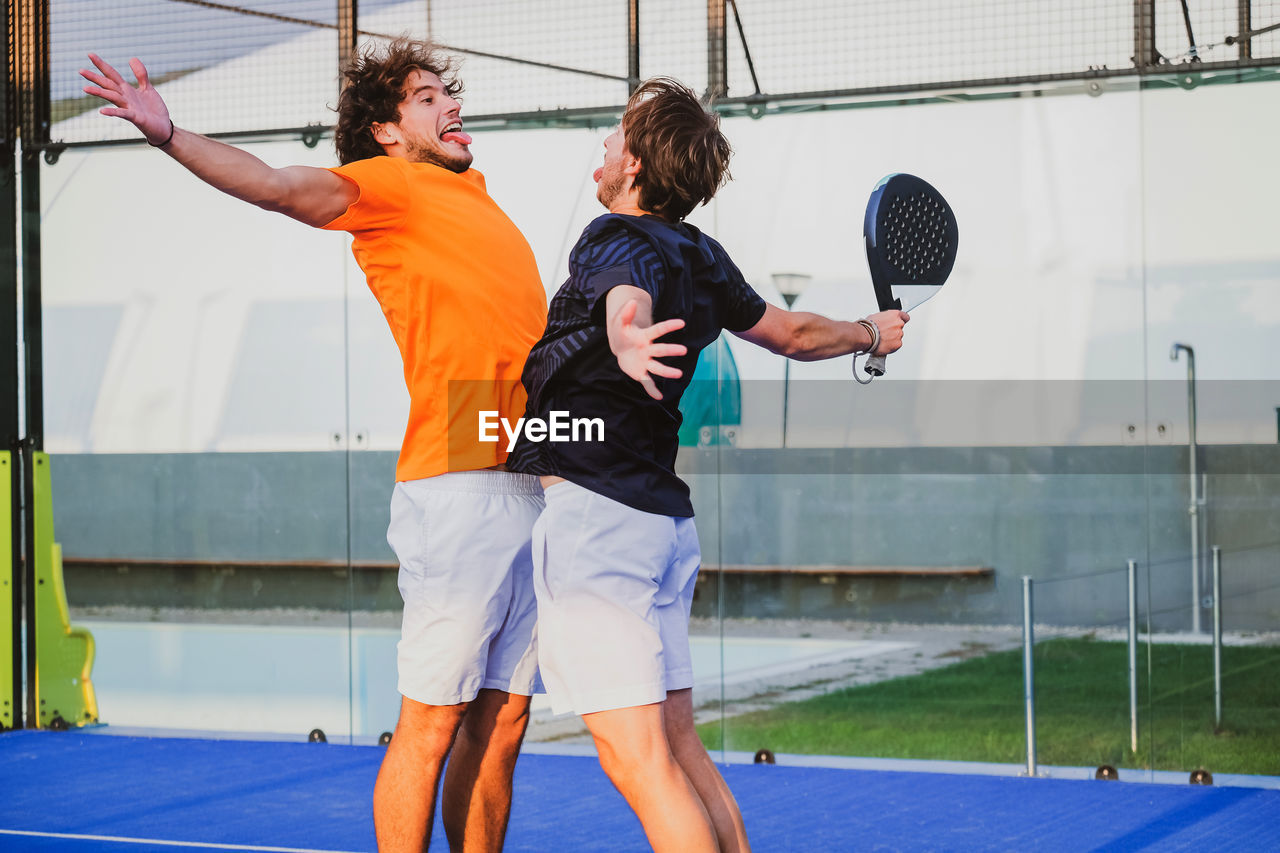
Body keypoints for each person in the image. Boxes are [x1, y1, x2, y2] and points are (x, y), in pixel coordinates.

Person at [82, 40, 547, 853]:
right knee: (432, 720)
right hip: (457, 478)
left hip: (529, 468)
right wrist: (169, 133)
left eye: (449, 94)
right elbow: (277, 187)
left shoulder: (474, 195)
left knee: (505, 716)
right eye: (429, 98)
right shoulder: (389, 185)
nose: (452, 107)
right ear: (387, 130)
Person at [506, 77, 909, 852]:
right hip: (662, 530)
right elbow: (790, 332)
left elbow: (626, 298)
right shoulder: (700, 254)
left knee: (642, 762)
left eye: (618, 133)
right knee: (680, 748)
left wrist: (626, 335)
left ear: (637, 166)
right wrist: (867, 330)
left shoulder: (610, 238)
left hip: (598, 525)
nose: (605, 142)